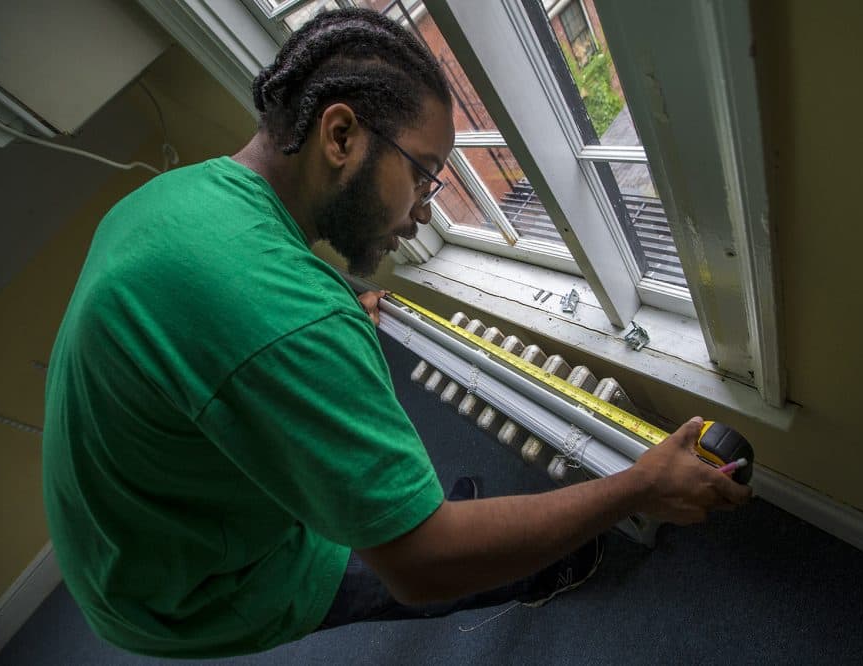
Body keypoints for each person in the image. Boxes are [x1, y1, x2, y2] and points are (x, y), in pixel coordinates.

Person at [41, 7, 751, 659]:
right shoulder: (295, 324)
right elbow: (422, 567)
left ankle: (449, 514)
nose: (421, 212)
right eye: (424, 175)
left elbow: (223, 321)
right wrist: (636, 489)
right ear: (341, 135)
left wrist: (329, 316)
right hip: (185, 590)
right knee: (410, 569)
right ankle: (539, 569)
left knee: (381, 491)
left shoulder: (180, 195)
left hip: (109, 531)